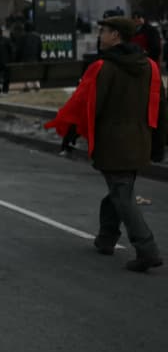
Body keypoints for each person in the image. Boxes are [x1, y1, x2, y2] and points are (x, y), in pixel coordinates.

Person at [46, 16, 166, 272]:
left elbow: (86, 105)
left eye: (105, 31)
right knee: (119, 190)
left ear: (116, 36)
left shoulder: (103, 67)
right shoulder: (151, 67)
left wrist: (70, 132)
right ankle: (106, 238)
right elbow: (161, 107)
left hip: (113, 142)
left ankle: (147, 249)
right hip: (140, 140)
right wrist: (159, 143)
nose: (101, 35)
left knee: (122, 194)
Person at [17, 22, 43, 91]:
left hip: (26, 58)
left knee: (27, 71)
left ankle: (27, 85)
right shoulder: (37, 36)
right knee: (35, 71)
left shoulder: (23, 37)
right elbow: (40, 48)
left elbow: (20, 49)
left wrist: (19, 58)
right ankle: (37, 84)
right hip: (35, 58)